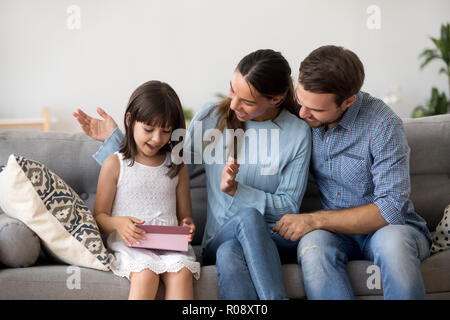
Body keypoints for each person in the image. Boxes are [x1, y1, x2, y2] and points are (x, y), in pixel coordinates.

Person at [74, 49, 312, 299]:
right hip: (220, 235)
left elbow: (290, 207)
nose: (233, 105)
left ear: (276, 99)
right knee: (242, 226)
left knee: (231, 252)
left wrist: (237, 191)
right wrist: (115, 138)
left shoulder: (297, 134)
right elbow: (164, 161)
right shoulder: (213, 118)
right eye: (232, 90)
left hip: (270, 239)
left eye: (247, 101)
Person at [273, 45, 431, 299]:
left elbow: (390, 209)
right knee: (314, 248)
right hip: (336, 235)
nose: (302, 114)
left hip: (389, 229)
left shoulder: (383, 125)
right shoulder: (302, 110)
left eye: (316, 110)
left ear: (348, 102)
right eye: (301, 102)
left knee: (392, 246)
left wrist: (314, 220)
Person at [92, 80, 200, 300]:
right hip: (131, 246)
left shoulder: (177, 166)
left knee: (182, 273)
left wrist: (187, 225)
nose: (157, 138)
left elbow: (185, 216)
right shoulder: (115, 164)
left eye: (166, 131)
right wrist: (118, 223)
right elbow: (99, 217)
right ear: (130, 120)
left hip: (170, 247)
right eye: (149, 129)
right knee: (146, 275)